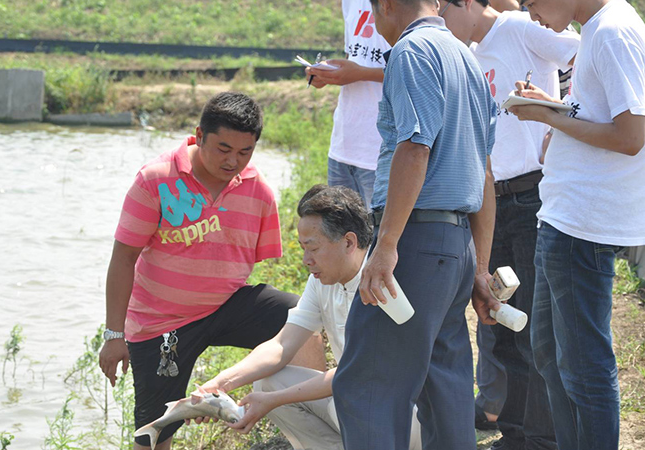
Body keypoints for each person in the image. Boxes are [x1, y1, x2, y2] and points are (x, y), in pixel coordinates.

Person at [98, 92, 324, 450]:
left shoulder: (258, 190)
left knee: (300, 321)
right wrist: (114, 334)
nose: (233, 160)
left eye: (244, 152)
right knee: (156, 432)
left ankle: (314, 429)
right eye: (223, 148)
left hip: (225, 306)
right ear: (199, 135)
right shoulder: (155, 180)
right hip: (161, 322)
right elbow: (123, 258)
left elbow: (257, 260)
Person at [330, 0, 500, 448]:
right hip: (456, 244)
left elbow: (414, 148)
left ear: (385, 5)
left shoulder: (411, 51)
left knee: (369, 386)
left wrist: (386, 245)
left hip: (417, 240)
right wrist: (479, 267)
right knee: (444, 385)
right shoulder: (466, 57)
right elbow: (483, 172)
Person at [509, 0, 645, 448]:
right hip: (566, 214)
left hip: (585, 224)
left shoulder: (612, 30)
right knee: (552, 353)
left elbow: (629, 136)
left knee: (583, 367)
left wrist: (548, 117)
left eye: (531, 2)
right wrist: (555, 106)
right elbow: (604, 112)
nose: (530, 13)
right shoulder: (602, 26)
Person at [440, 1, 579, 448]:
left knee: (538, 331)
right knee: (502, 324)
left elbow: (581, 53)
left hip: (532, 196)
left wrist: (563, 113)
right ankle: (515, 434)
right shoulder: (464, 51)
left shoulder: (520, 28)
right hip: (489, 204)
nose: (437, 21)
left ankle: (543, 439)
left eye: (439, 10)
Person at [197, 184, 421, 450]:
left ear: (349, 242)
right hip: (353, 399)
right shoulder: (322, 281)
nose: (306, 259)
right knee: (268, 383)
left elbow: (359, 371)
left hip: (401, 417)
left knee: (342, 397)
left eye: (312, 249)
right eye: (303, 248)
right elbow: (282, 345)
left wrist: (276, 400)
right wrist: (220, 383)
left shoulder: (382, 281)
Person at [305, 0, 392, 209]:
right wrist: (326, 73)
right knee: (341, 234)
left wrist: (360, 74)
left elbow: (414, 67)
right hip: (344, 144)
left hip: (380, 149)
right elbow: (353, 55)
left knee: (377, 236)